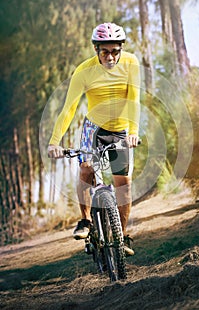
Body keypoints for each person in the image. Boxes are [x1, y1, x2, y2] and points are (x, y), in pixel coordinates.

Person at [47, 22, 141, 256]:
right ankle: (86, 220)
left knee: (124, 186)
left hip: (120, 130)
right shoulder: (84, 71)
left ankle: (123, 237)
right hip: (93, 129)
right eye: (105, 52)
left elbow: (134, 100)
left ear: (121, 49)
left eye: (115, 51)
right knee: (86, 169)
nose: (110, 57)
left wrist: (133, 132)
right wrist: (54, 141)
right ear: (96, 50)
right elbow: (69, 109)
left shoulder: (131, 63)